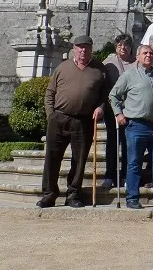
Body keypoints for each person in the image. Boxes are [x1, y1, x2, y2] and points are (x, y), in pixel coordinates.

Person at [37, 35, 108, 208]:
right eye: (79, 47)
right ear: (74, 49)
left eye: (86, 47)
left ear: (91, 49)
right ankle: (49, 194)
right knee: (52, 158)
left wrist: (101, 107)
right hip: (59, 118)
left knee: (79, 160)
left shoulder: (99, 70)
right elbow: (50, 93)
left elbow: (104, 95)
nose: (83, 50)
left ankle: (73, 194)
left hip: (83, 121)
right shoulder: (62, 67)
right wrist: (50, 115)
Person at [109, 44, 153, 209]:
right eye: (145, 53)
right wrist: (118, 114)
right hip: (136, 125)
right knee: (134, 163)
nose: (148, 55)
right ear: (138, 57)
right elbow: (113, 95)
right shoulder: (129, 75)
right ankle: (132, 198)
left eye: (151, 53)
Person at [101, 34, 135, 187]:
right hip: (112, 108)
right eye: (120, 45)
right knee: (112, 142)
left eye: (126, 45)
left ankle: (127, 175)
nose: (123, 48)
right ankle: (110, 175)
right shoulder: (108, 62)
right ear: (116, 47)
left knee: (128, 144)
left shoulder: (136, 63)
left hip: (131, 109)